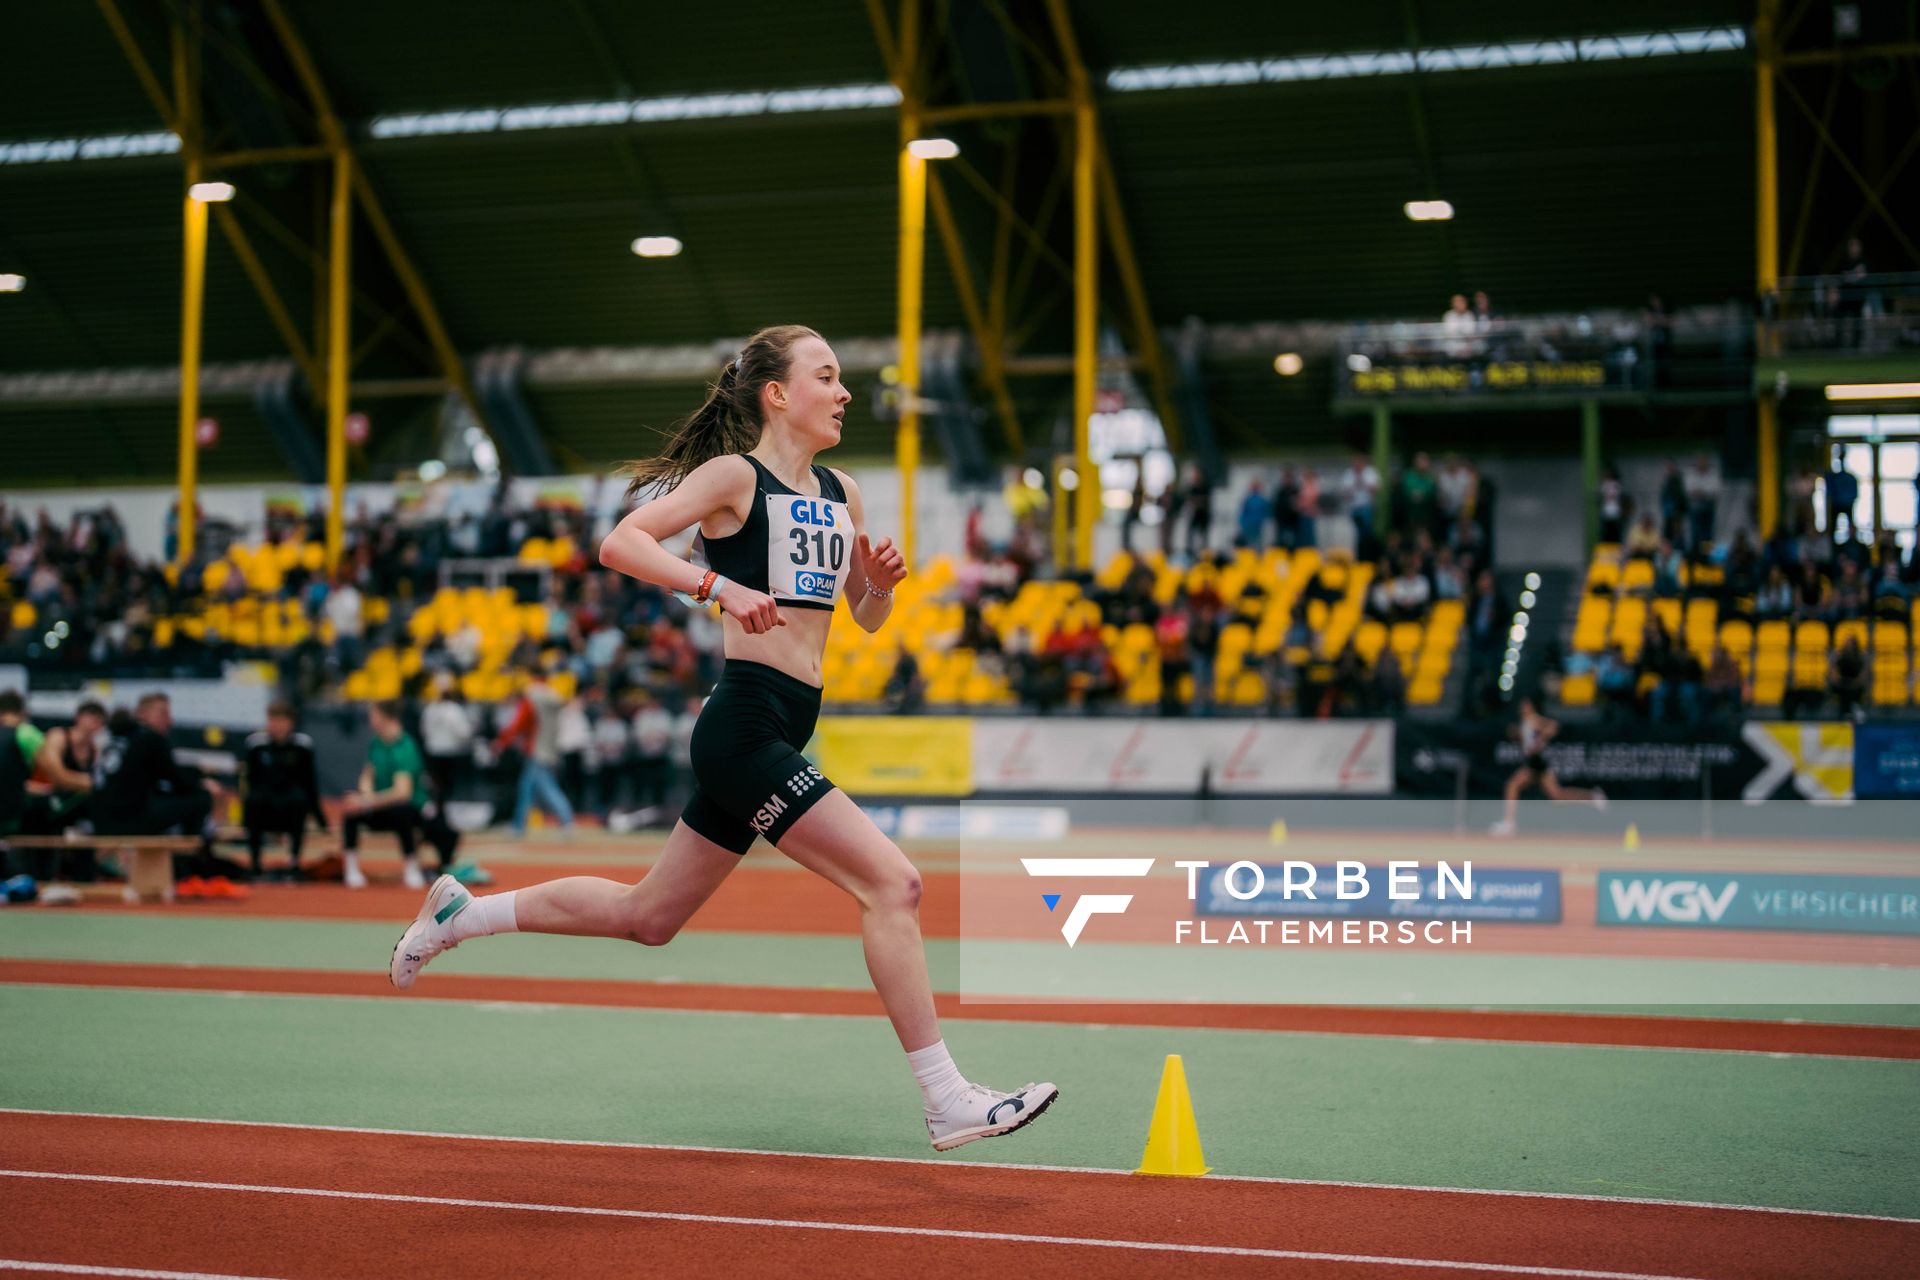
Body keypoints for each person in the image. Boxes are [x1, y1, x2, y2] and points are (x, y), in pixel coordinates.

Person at [384, 325, 1057, 1151]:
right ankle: (946, 1096)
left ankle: (463, 915)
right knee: (895, 885)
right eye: (828, 377)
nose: (845, 393)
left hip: (785, 720)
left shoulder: (843, 492)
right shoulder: (736, 477)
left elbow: (865, 620)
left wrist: (876, 589)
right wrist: (716, 586)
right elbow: (621, 541)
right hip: (742, 726)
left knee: (649, 916)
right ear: (778, 394)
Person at [91, 692, 232, 894]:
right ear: (143, 713)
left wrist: (196, 777)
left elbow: (155, 777)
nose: (169, 720)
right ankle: (191, 865)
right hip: (130, 819)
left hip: (101, 818)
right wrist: (203, 786)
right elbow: (174, 776)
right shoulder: (150, 737)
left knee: (174, 801)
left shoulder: (116, 737)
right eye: (163, 713)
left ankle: (186, 862)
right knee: (200, 800)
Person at [341, 700, 459, 890]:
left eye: (373, 715)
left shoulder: (406, 746)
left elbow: (402, 793)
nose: (370, 720)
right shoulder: (376, 743)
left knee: (402, 812)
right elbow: (367, 775)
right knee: (351, 811)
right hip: (379, 805)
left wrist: (367, 802)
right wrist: (364, 796)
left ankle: (411, 866)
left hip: (411, 809)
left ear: (383, 717)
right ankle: (351, 868)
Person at [1491, 698, 1607, 835]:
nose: (1523, 708)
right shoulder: (1524, 723)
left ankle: (1509, 823)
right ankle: (1592, 797)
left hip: (1536, 763)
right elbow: (1528, 743)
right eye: (1522, 706)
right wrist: (1517, 735)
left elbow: (1553, 726)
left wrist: (1542, 739)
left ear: (1532, 707)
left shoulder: (1535, 719)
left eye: (1526, 706)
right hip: (1535, 762)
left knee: (1512, 785)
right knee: (1557, 796)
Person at [240, 701, 328, 880]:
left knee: (299, 800)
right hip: (265, 801)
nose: (277, 726)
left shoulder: (303, 746)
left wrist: (320, 818)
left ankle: (294, 862)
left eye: (281, 720)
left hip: (290, 802)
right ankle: (255, 863)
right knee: (253, 801)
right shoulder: (256, 745)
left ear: (290, 723)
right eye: (273, 720)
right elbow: (249, 782)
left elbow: (310, 783)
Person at [491, 670, 576, 836]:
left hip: (536, 749)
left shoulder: (532, 698)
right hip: (549, 747)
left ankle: (566, 821)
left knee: (546, 788)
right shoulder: (553, 696)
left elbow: (519, 724)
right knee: (527, 788)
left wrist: (501, 742)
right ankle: (519, 825)